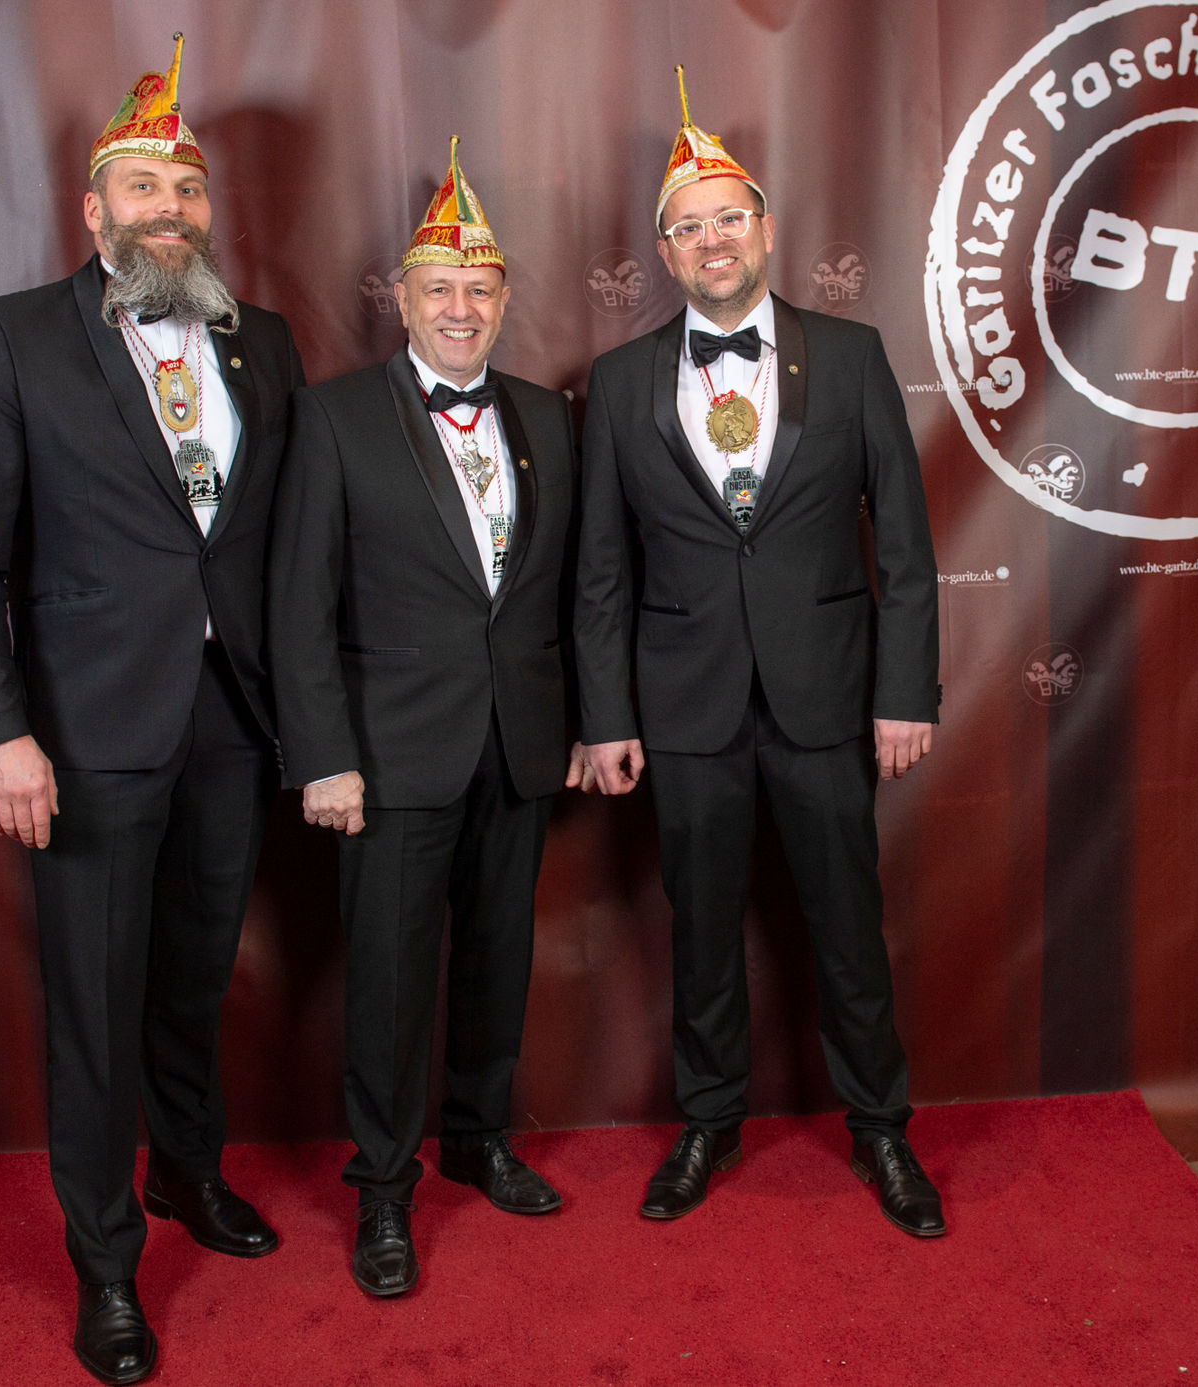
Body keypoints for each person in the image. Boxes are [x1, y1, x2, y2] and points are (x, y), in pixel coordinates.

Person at [0, 35, 303, 1384]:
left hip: (231, 721)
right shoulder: (13, 335)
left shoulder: (261, 341)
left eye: (188, 190)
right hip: (83, 737)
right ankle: (105, 1265)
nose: (169, 209)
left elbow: (283, 548)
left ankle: (187, 1175)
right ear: (93, 210)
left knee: (195, 978)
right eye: (144, 188)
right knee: (95, 1002)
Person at [573, 70, 946, 1238]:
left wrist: (904, 692)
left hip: (827, 695)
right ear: (665, 253)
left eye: (729, 216)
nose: (713, 239)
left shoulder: (851, 354)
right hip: (684, 707)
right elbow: (599, 566)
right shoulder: (621, 381)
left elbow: (907, 546)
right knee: (700, 929)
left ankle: (881, 1128)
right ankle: (709, 1120)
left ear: (767, 230)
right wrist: (604, 714)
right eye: (689, 226)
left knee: (847, 924)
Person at [268, 138, 579, 1298]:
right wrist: (323, 756)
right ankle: (385, 1190)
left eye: (480, 289)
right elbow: (298, 602)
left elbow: (574, 590)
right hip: (388, 754)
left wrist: (582, 723)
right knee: (392, 980)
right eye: (440, 289)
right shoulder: (335, 417)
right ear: (401, 300)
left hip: (519, 742)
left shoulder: (548, 417)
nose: (460, 308)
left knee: (499, 958)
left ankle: (479, 1139)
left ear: (503, 302)